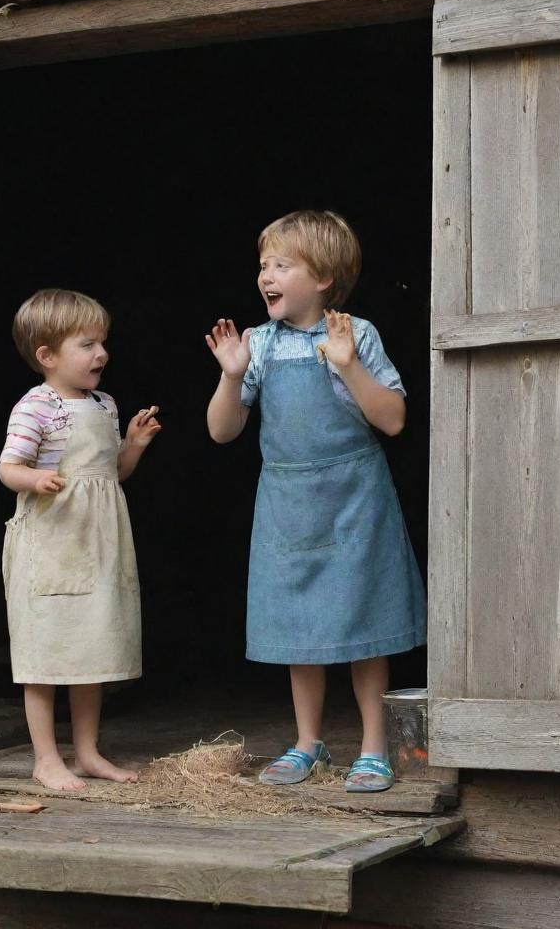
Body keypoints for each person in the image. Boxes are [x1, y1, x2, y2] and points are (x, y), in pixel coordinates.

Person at [205, 210, 425, 792]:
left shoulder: (356, 334)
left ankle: (374, 745)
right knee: (300, 627)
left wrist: (348, 365)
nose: (265, 275)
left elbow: (394, 419)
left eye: (282, 264)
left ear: (324, 277)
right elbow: (222, 432)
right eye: (263, 265)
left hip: (354, 495)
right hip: (288, 499)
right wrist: (231, 376)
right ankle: (309, 742)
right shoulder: (260, 344)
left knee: (364, 619)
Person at [0, 288, 161, 791]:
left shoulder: (105, 404)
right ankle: (47, 759)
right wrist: (35, 481)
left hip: (96, 545)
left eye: (102, 343)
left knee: (90, 650)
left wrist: (132, 445)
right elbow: (8, 468)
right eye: (87, 345)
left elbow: (110, 473)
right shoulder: (36, 408)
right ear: (47, 356)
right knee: (45, 653)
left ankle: (88, 752)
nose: (101, 354)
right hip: (52, 546)